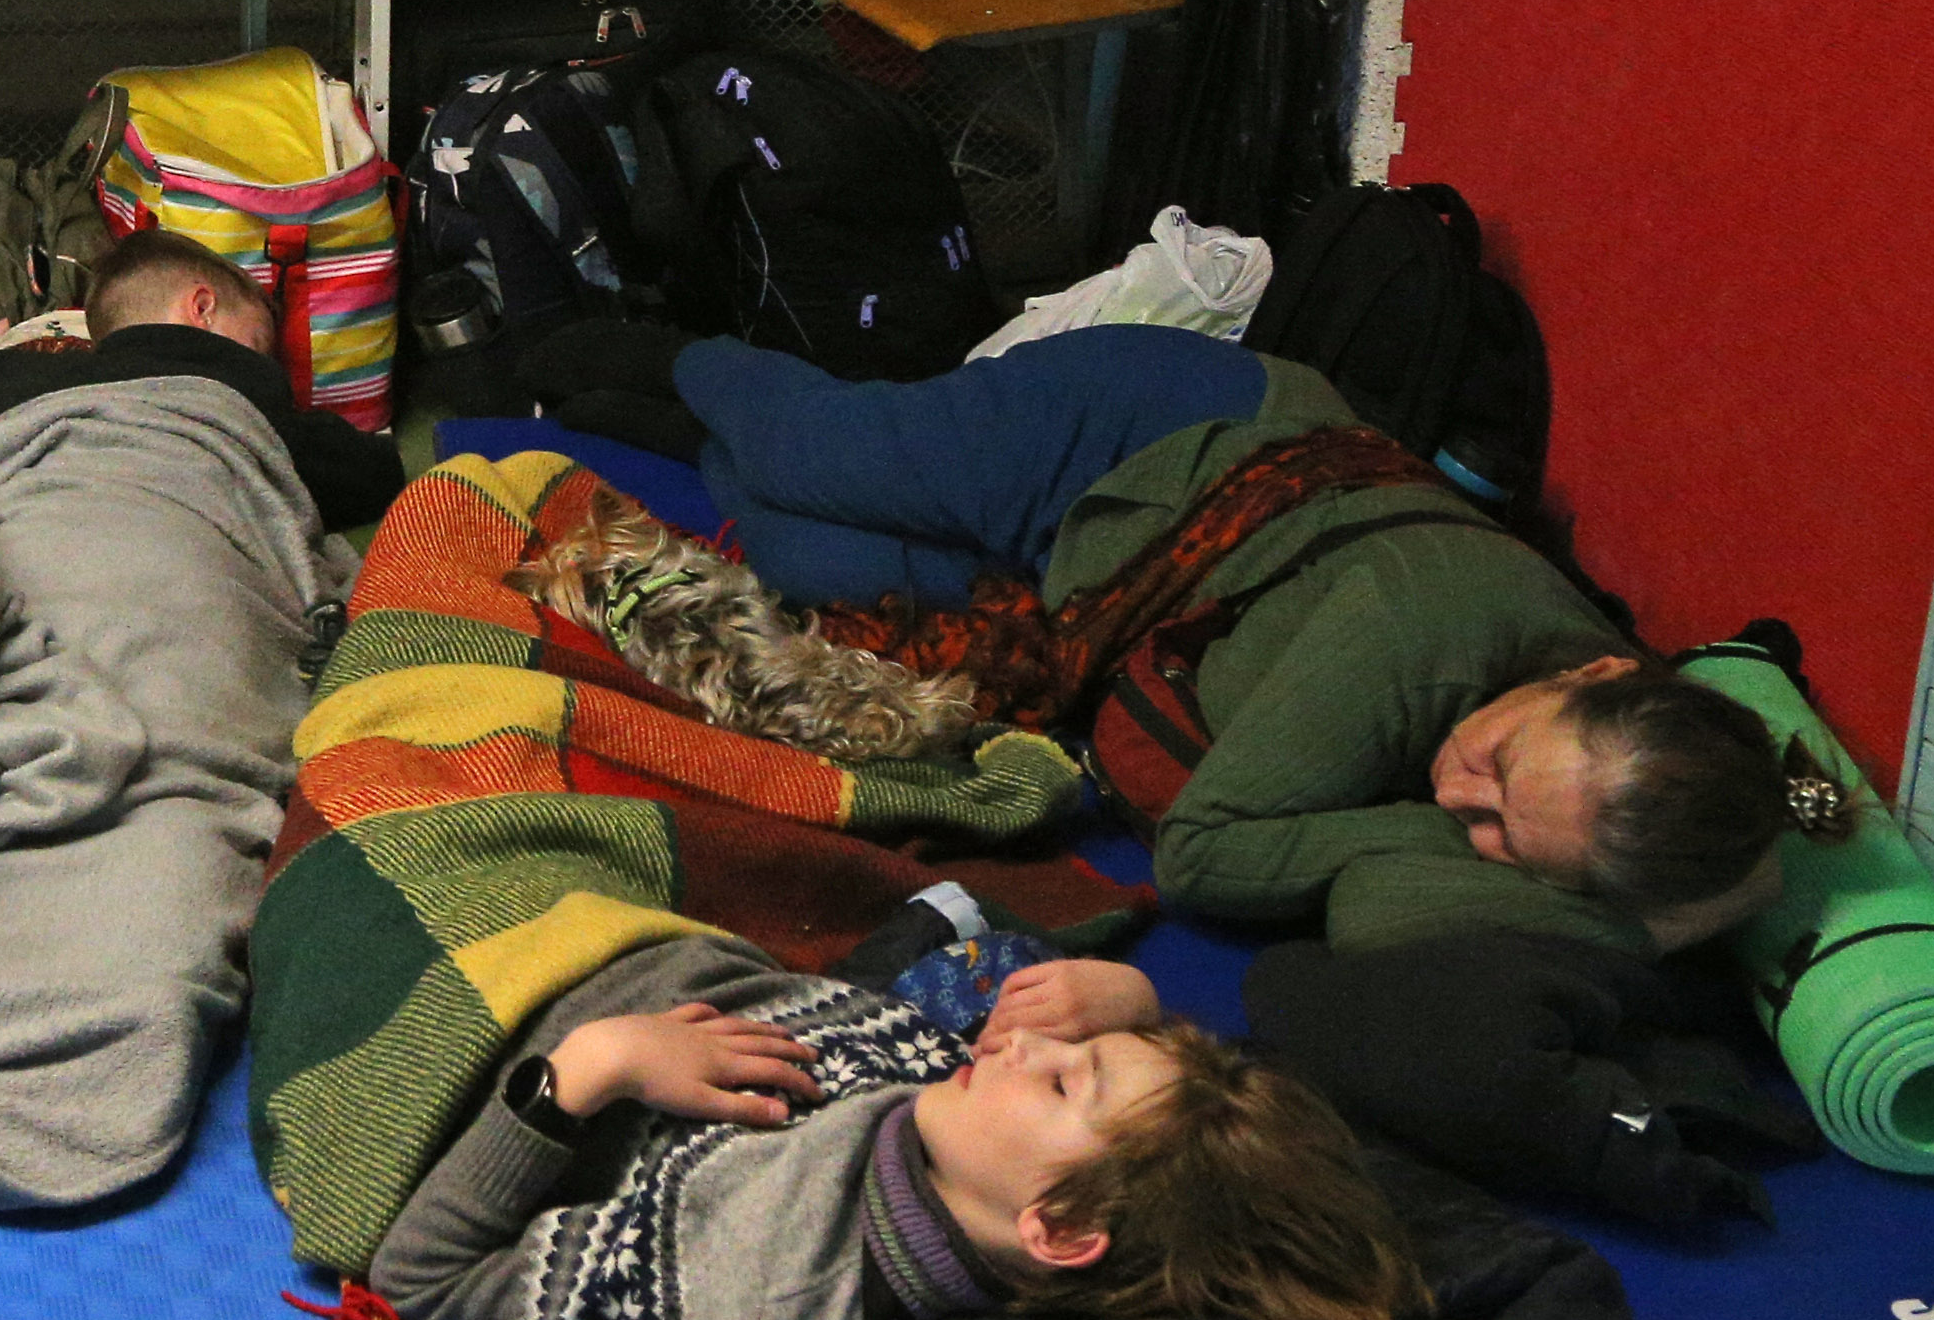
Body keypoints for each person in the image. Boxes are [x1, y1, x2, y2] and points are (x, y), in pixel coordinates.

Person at [521, 316, 1794, 956]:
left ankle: (676, 433)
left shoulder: (1612, 794)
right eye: (1501, 763)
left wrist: (1636, 912)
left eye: (1506, 840)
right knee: (829, 449)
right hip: (1166, 433)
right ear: (1592, 669)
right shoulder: (1421, 626)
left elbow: (1375, 903)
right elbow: (1207, 856)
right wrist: (1579, 901)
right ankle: (660, 344)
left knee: (806, 556)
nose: (1460, 797)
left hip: (1104, 584)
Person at [366, 941, 1421, 1320]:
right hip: (606, 920)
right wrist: (1124, 997)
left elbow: (425, 1277)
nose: (1024, 1049)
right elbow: (961, 968)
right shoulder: (953, 1113)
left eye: (1066, 1080)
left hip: (460, 996)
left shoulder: (750, 1302)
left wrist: (587, 1070)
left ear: (1057, 1229)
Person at [0, 229, 404, 529]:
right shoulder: (258, 415)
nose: (267, 366)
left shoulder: (13, 378)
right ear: (201, 307)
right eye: (257, 342)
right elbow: (376, 473)